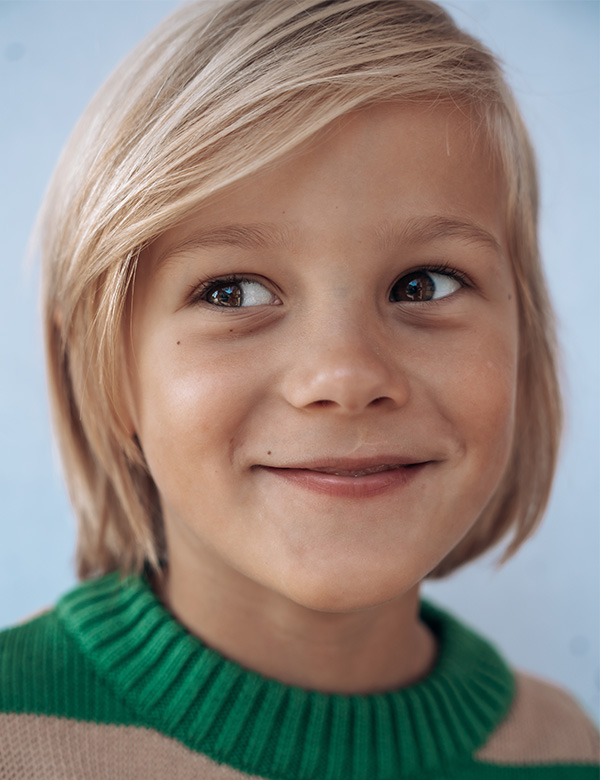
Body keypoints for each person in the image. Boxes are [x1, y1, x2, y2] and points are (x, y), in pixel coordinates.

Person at [0, 0, 597, 777]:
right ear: (105, 370)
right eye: (233, 293)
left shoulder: (570, 750)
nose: (346, 378)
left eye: (424, 283)